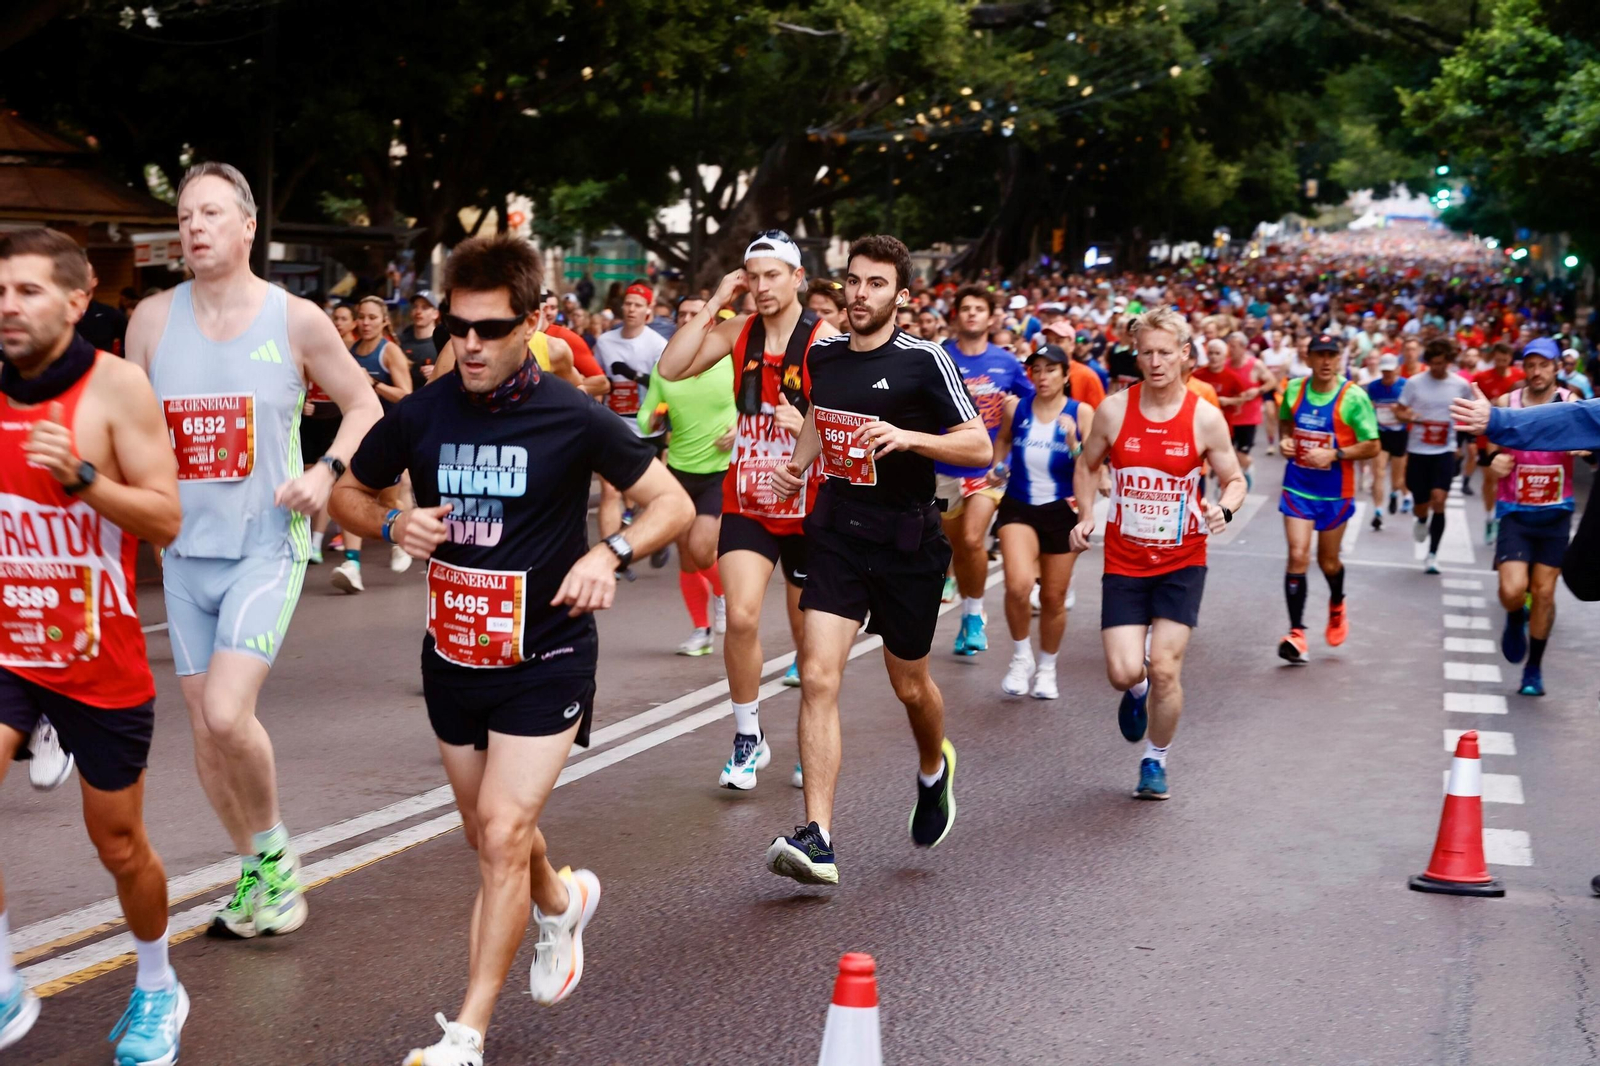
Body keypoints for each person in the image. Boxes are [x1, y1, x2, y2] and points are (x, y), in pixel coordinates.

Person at [328, 234, 692, 1066]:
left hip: (548, 656)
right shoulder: (421, 413)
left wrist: (609, 554)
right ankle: (560, 901)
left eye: (490, 329)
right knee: (489, 831)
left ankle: (467, 1035)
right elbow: (349, 492)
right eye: (458, 327)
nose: (470, 344)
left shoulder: (573, 415)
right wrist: (392, 522)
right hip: (454, 658)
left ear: (532, 323)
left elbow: (668, 502)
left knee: (500, 833)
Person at [127, 162, 383, 942]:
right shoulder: (150, 321)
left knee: (227, 710)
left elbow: (364, 405)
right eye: (184, 216)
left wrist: (326, 470)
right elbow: (126, 428)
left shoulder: (296, 319)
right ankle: (254, 873)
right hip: (183, 555)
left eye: (210, 213)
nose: (194, 228)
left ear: (247, 226)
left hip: (266, 545)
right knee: (204, 726)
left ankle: (275, 856)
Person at [0, 228, 187, 1063]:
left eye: (29, 291)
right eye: (0, 291)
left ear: (78, 301)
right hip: (9, 646)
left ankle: (158, 986)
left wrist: (82, 477)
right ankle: (3, 983)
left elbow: (166, 519)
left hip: (96, 656)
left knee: (118, 844)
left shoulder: (117, 389)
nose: (9, 306)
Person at [765, 234, 989, 884]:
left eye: (876, 284)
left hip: (906, 541)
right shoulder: (826, 353)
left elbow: (978, 447)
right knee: (817, 676)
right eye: (854, 281)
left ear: (901, 295)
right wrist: (797, 467)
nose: (861, 294)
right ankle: (818, 838)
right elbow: (820, 413)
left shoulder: (925, 361)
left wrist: (909, 437)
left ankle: (933, 769)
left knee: (910, 686)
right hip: (839, 532)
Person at [657, 230, 838, 788]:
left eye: (772, 275)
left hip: (808, 507)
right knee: (739, 617)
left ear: (797, 278)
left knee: (810, 640)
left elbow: (850, 430)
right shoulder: (738, 331)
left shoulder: (826, 340)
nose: (761, 287)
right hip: (748, 500)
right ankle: (747, 736)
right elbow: (671, 368)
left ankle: (811, 738)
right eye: (752, 276)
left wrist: (807, 428)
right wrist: (716, 300)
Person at [1068, 307, 1246, 801]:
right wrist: (1086, 515)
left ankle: (1155, 759)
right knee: (1124, 671)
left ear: (1184, 354)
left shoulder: (1204, 417)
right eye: (1146, 353)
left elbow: (1234, 479)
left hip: (1182, 561)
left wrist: (1225, 509)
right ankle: (1137, 690)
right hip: (1125, 560)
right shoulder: (1114, 410)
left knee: (1165, 666)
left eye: (1165, 353)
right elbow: (1087, 465)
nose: (1155, 362)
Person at [937, 284, 1035, 656]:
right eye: (966, 308)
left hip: (988, 468)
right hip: (944, 466)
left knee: (973, 539)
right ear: (956, 315)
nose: (972, 314)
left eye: (980, 308)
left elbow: (1031, 406)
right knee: (957, 548)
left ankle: (975, 615)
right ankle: (968, 613)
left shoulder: (1007, 363)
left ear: (992, 318)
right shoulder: (940, 356)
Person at [988, 344, 1090, 699]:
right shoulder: (1016, 408)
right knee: (1018, 585)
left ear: (1065, 375)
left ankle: (1047, 668)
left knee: (1053, 597)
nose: (1042, 377)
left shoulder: (1081, 412)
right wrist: (998, 466)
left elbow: (1090, 465)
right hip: (1019, 504)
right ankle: (1021, 658)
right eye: (1037, 370)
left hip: (1062, 510)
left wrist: (1074, 441)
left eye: (1051, 370)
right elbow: (1003, 441)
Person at [1274, 333, 1380, 663]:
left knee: (1328, 561)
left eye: (1331, 355)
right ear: (1308, 359)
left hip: (1335, 491)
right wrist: (1285, 441)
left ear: (1339, 359)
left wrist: (1335, 454)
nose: (1325, 361)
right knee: (1297, 555)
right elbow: (1285, 422)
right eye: (1319, 355)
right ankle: (1297, 633)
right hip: (1298, 485)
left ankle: (1336, 604)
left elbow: (1373, 445)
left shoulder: (1354, 397)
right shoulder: (1294, 389)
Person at [637, 324, 736, 656]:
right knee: (687, 556)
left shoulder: (729, 360)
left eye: (697, 316)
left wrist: (738, 427)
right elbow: (646, 414)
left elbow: (755, 401)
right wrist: (653, 419)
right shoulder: (665, 369)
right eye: (685, 317)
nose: (691, 322)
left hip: (719, 471)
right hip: (680, 471)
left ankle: (724, 593)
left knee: (702, 548)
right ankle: (701, 631)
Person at [1486, 338, 1574, 697]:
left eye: (1544, 365)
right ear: (1524, 369)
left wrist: (1585, 451)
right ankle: (1513, 615)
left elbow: (1593, 446)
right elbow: (1490, 448)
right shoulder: (1506, 403)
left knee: (1544, 594)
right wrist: (1494, 461)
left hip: (1556, 513)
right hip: (1516, 512)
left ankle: (1533, 669)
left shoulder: (1571, 404)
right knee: (1512, 591)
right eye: (1531, 365)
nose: (1537, 372)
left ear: (1556, 368)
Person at [338, 294, 416, 587]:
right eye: (361, 317)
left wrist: (372, 382)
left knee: (388, 499)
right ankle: (351, 564)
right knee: (348, 492)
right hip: (356, 433)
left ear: (384, 321)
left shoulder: (390, 351)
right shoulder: (350, 350)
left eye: (372, 317)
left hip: (387, 436)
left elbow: (406, 396)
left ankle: (400, 541)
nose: (365, 322)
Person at [594, 282, 669, 556]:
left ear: (648, 310)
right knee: (610, 491)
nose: (631, 309)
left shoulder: (658, 344)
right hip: (613, 424)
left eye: (638, 305)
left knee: (648, 494)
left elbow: (666, 387)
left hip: (648, 426)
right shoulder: (605, 342)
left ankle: (657, 537)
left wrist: (660, 424)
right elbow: (597, 379)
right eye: (628, 304)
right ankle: (609, 555)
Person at [1396, 338, 1472, 574]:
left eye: (1441, 363)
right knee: (1421, 504)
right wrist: (1411, 417)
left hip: (1445, 451)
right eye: (1433, 363)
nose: (1437, 368)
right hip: (1418, 451)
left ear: (1449, 361)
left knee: (1439, 499)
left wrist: (1461, 443)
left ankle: (1432, 555)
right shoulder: (1415, 383)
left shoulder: (1460, 385)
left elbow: (1468, 415)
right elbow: (1398, 411)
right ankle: (1421, 519)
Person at [1471, 341, 1525, 542]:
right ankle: (1489, 516)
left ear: (1510, 359)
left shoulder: (1520, 377)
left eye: (1505, 360)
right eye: (1498, 360)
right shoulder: (1482, 378)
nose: (1501, 363)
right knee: (1490, 479)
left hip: (1513, 437)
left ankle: (1506, 517)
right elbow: (1474, 404)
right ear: (1493, 358)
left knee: (1511, 478)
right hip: (1488, 436)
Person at [1364, 353, 1408, 531]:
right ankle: (1378, 512)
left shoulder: (1405, 386)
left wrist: (1400, 413)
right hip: (1381, 434)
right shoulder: (1374, 386)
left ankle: (1394, 493)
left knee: (1397, 479)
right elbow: (1368, 408)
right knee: (1378, 473)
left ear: (1397, 369)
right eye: (1384, 371)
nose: (1387, 375)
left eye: (1390, 371)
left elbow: (1412, 411)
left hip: (1399, 434)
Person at [77, 262, 129, 356]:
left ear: (94, 282)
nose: (80, 279)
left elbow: (128, 339)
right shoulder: (62, 314)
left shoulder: (109, 314)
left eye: (85, 276)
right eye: (77, 275)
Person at [398, 289, 444, 390]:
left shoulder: (444, 342)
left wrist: (438, 372)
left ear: (436, 314)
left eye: (425, 308)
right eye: (415, 307)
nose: (418, 312)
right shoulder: (400, 341)